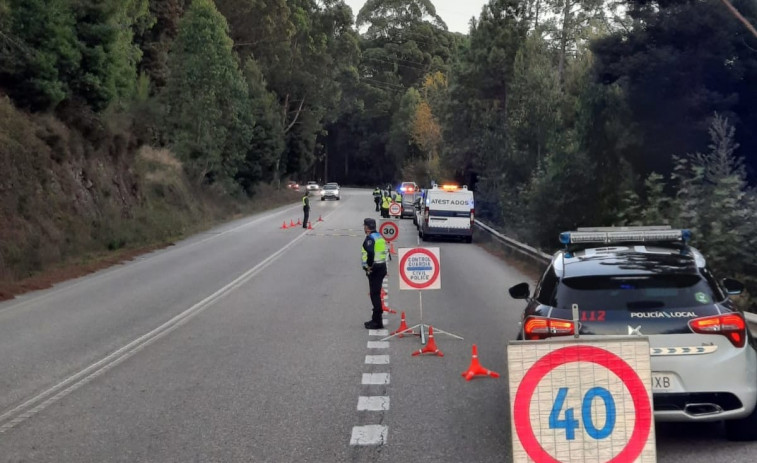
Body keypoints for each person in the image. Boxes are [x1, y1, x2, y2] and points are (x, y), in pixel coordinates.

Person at [361, 218, 388, 329]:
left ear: (367, 227)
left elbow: (370, 252)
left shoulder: (370, 238)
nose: (364, 228)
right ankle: (376, 319)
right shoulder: (379, 236)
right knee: (375, 293)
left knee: (374, 295)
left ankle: (377, 321)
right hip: (382, 267)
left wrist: (369, 265)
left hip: (375, 268)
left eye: (364, 226)